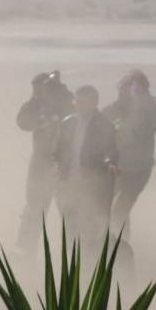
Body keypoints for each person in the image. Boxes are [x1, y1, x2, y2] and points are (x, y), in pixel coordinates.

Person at [52, 85, 119, 251]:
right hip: (67, 184)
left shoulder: (104, 125)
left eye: (83, 101)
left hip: (90, 186)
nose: (79, 105)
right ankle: (69, 264)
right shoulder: (68, 123)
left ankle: (86, 266)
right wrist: (56, 173)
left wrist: (108, 163)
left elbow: (110, 151)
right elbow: (57, 152)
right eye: (77, 101)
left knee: (88, 230)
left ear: (94, 102)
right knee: (69, 227)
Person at [15, 70, 72, 254]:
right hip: (40, 165)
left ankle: (75, 250)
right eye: (37, 91)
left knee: (68, 209)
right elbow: (22, 121)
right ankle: (26, 249)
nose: (38, 94)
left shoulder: (65, 102)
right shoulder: (34, 105)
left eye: (41, 90)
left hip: (64, 165)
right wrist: (41, 117)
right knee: (34, 208)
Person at [106, 69, 156, 238]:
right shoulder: (121, 106)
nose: (130, 93)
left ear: (144, 88)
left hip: (139, 169)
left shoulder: (152, 105)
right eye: (125, 89)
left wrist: (134, 106)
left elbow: (149, 128)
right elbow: (102, 120)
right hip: (119, 167)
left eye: (134, 89)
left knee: (120, 209)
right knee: (106, 205)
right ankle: (116, 240)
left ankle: (121, 243)